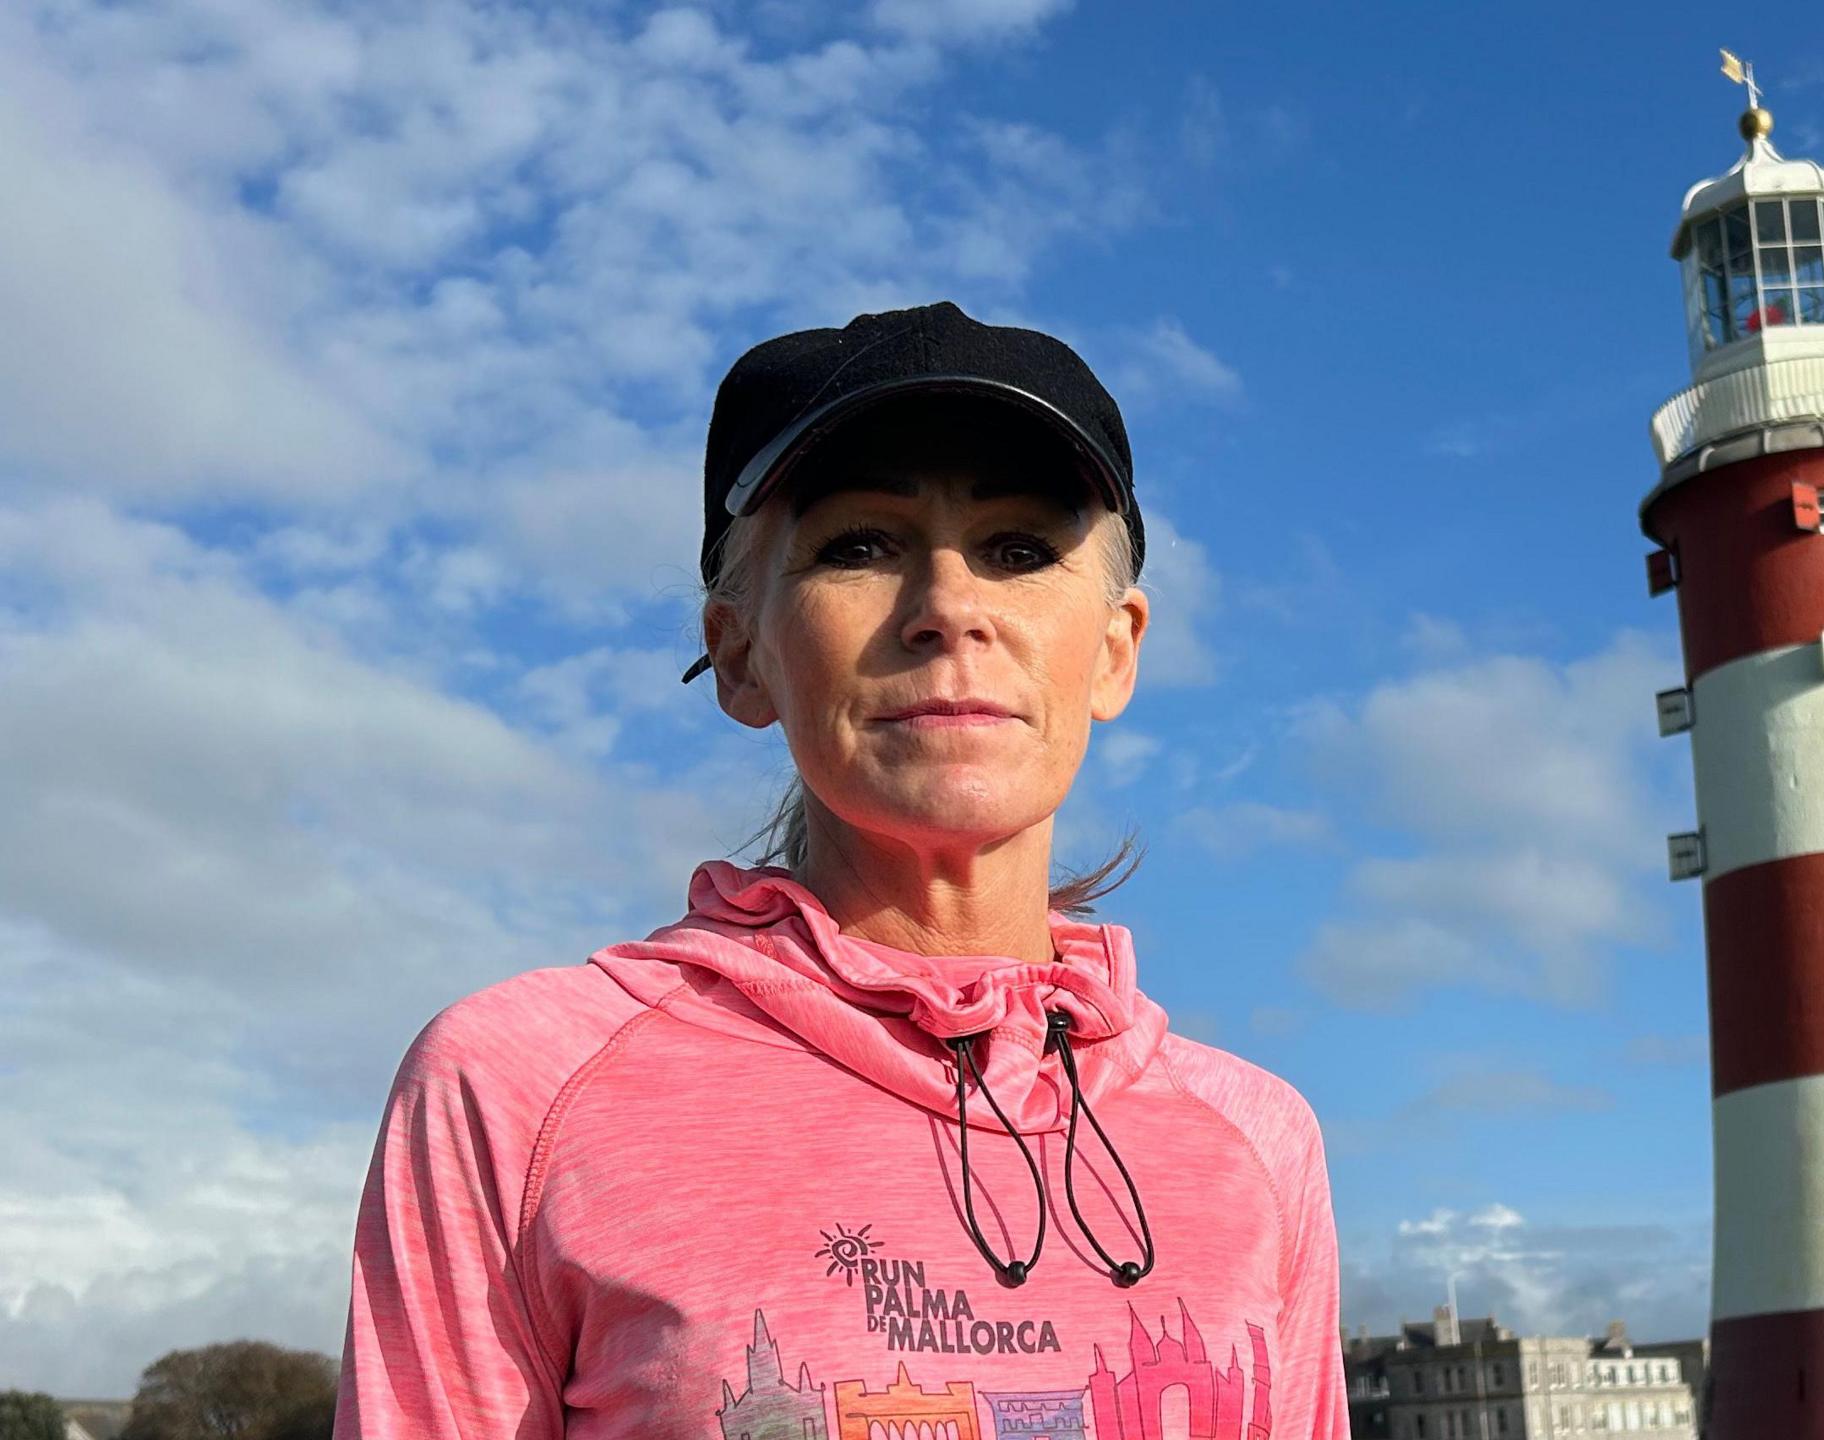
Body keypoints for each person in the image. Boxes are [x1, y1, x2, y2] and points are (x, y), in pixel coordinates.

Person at [335, 301, 1352, 1439]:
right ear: (737, 652)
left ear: (1115, 649)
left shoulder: (1258, 1139)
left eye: (1019, 549)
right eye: (858, 546)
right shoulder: (515, 1087)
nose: (949, 609)